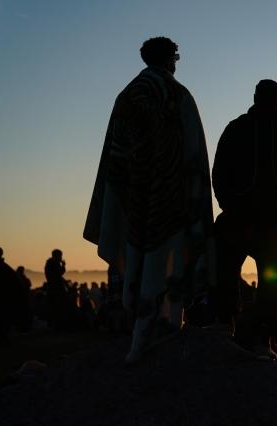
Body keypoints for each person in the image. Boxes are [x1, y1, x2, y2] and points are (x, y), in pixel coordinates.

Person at [84, 37, 216, 363]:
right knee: (164, 260)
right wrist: (195, 197)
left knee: (137, 259)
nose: (176, 63)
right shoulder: (177, 95)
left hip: (130, 196)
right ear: (169, 58)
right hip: (169, 196)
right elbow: (194, 155)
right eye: (176, 57)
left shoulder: (126, 97)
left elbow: (114, 154)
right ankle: (155, 331)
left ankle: (140, 332)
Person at [210, 79, 277, 357]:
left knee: (267, 284)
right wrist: (229, 206)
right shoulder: (245, 131)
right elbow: (219, 174)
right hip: (252, 221)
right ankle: (234, 330)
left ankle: (255, 335)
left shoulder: (243, 131)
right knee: (234, 276)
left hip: (269, 224)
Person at [0, 247, 20, 345]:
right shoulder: (2, 266)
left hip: (2, 298)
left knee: (1, 319)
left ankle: (2, 340)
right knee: (1, 320)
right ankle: (1, 339)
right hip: (3, 298)